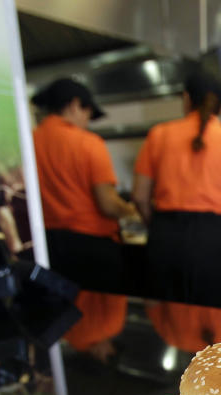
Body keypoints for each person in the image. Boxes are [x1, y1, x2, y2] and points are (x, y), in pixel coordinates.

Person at [32, 78, 138, 361]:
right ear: (75, 105)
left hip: (48, 248)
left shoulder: (29, 140)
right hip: (92, 251)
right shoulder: (88, 143)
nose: (88, 121)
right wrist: (131, 210)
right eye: (88, 113)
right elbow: (107, 204)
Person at [132, 72, 221, 309]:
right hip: (214, 243)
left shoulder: (158, 135)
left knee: (165, 317)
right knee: (216, 324)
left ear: (187, 99)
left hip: (166, 238)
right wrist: (217, 232)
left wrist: (158, 226)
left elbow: (139, 196)